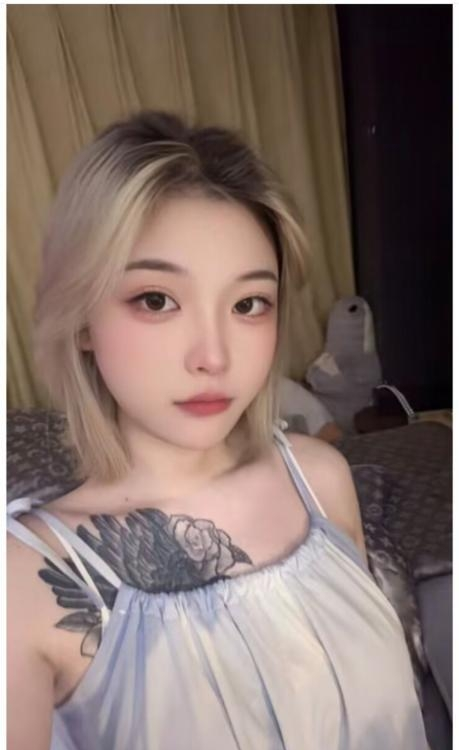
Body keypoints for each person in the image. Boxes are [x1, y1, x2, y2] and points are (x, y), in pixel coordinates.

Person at [7, 111, 429, 750]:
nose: (214, 356)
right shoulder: (25, 580)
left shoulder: (321, 478)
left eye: (248, 304)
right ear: (82, 317)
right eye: (156, 300)